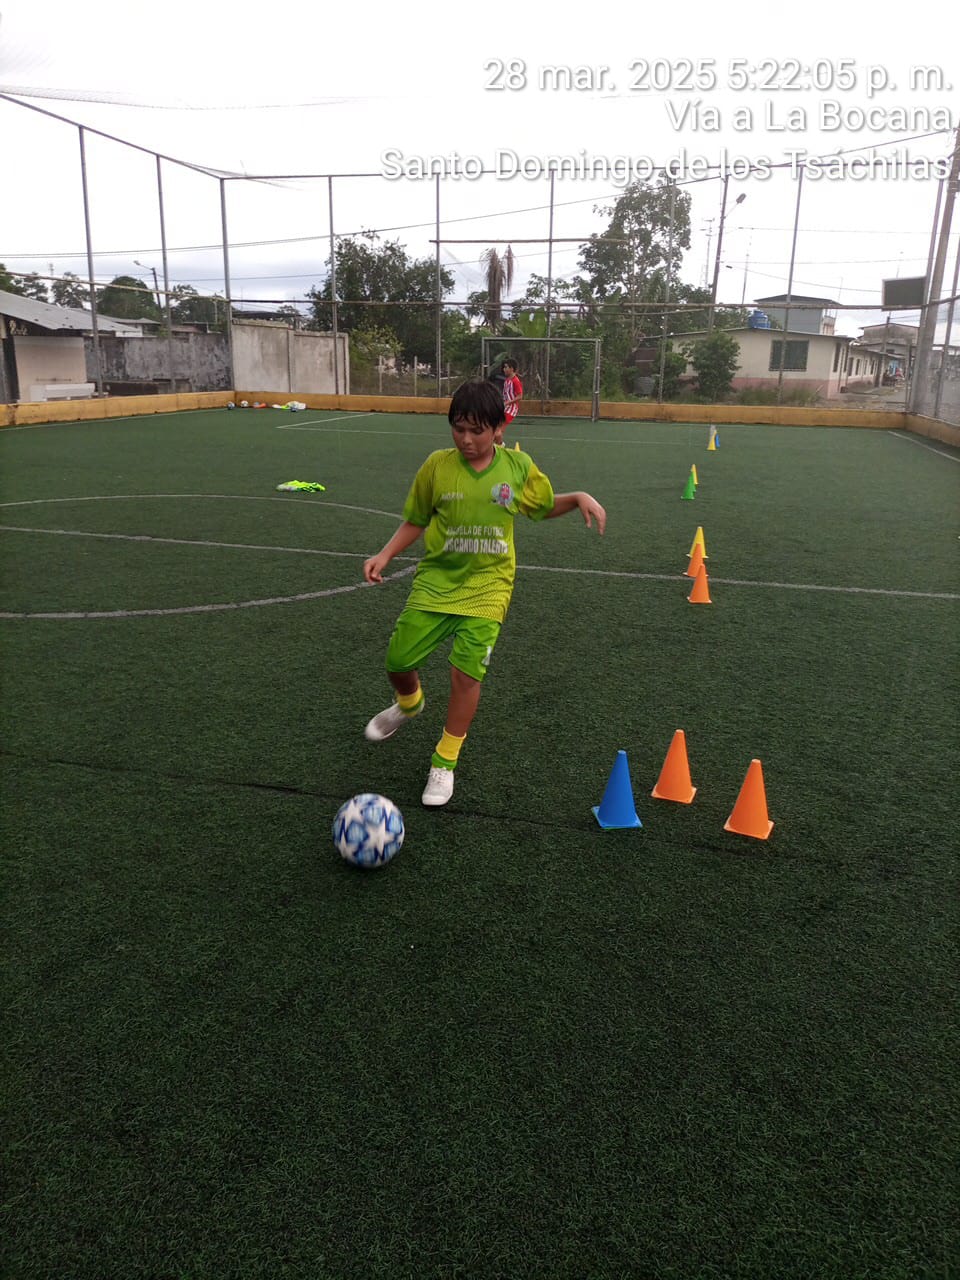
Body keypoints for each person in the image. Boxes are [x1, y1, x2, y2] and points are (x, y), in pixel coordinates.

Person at [362, 377, 606, 807]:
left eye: (477, 430)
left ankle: (444, 761)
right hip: (437, 581)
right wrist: (385, 554)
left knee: (466, 674)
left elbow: (542, 507)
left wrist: (578, 497)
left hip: (489, 586)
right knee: (398, 661)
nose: (466, 440)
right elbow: (417, 519)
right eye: (458, 429)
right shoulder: (436, 467)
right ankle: (410, 702)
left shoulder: (517, 467)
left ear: (498, 429)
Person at [499, 358, 523, 443]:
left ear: (511, 368)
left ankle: (499, 445)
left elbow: (520, 396)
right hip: (505, 407)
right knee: (496, 427)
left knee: (500, 429)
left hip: (511, 409)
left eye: (506, 367)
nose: (504, 369)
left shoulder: (515, 381)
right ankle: (498, 444)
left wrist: (508, 403)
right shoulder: (507, 380)